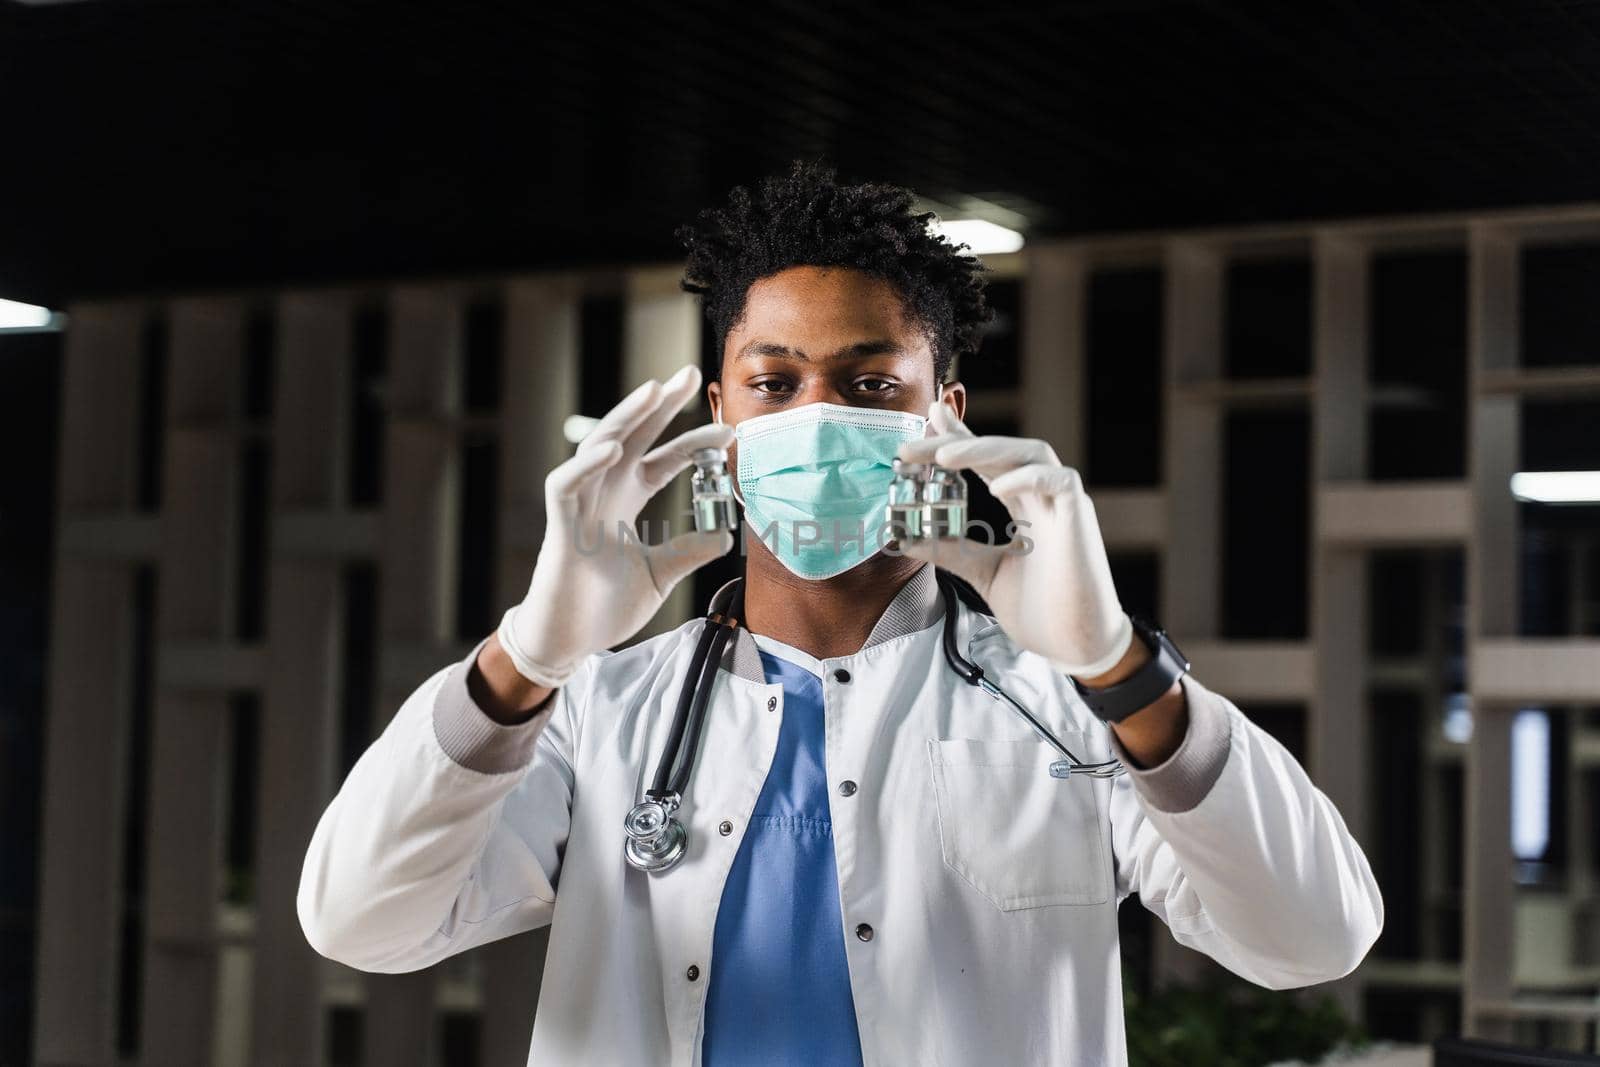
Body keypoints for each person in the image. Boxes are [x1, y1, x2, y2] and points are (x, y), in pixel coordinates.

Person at [297, 159, 1383, 1066]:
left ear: (942, 412)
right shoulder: (597, 706)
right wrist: (522, 658)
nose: (817, 415)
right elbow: (364, 921)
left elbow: (1311, 936)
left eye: (869, 385)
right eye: (774, 383)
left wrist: (1117, 668)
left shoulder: (1065, 702)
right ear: (719, 408)